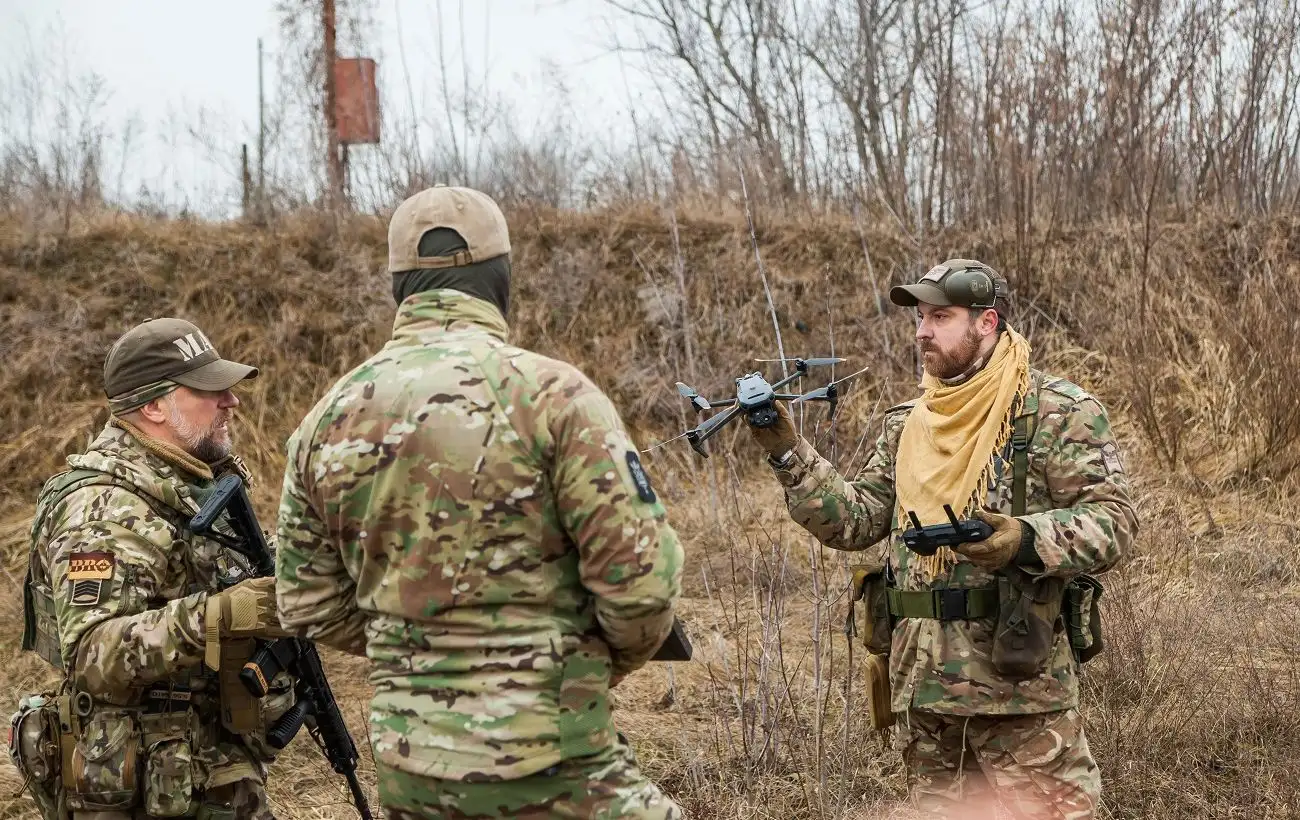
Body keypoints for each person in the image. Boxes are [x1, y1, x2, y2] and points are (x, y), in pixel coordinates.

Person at [274, 185, 684, 819]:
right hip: (554, 763)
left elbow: (309, 602)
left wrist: (419, 658)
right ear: (502, 278)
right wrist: (583, 666)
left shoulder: (324, 420)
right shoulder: (555, 397)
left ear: (397, 288)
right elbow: (642, 588)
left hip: (413, 771)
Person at [749, 259, 1138, 818]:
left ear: (987, 323)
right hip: (924, 691)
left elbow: (1115, 520)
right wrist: (787, 452)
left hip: (1018, 691)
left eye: (940, 316)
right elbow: (856, 521)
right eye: (920, 317)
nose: (922, 331)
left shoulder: (1057, 412)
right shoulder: (910, 422)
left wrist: (1023, 538)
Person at [16, 318, 295, 819]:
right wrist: (222, 615)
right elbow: (91, 654)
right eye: (209, 390)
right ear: (153, 406)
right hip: (146, 787)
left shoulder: (185, 482)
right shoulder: (103, 509)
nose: (230, 401)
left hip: (203, 768)